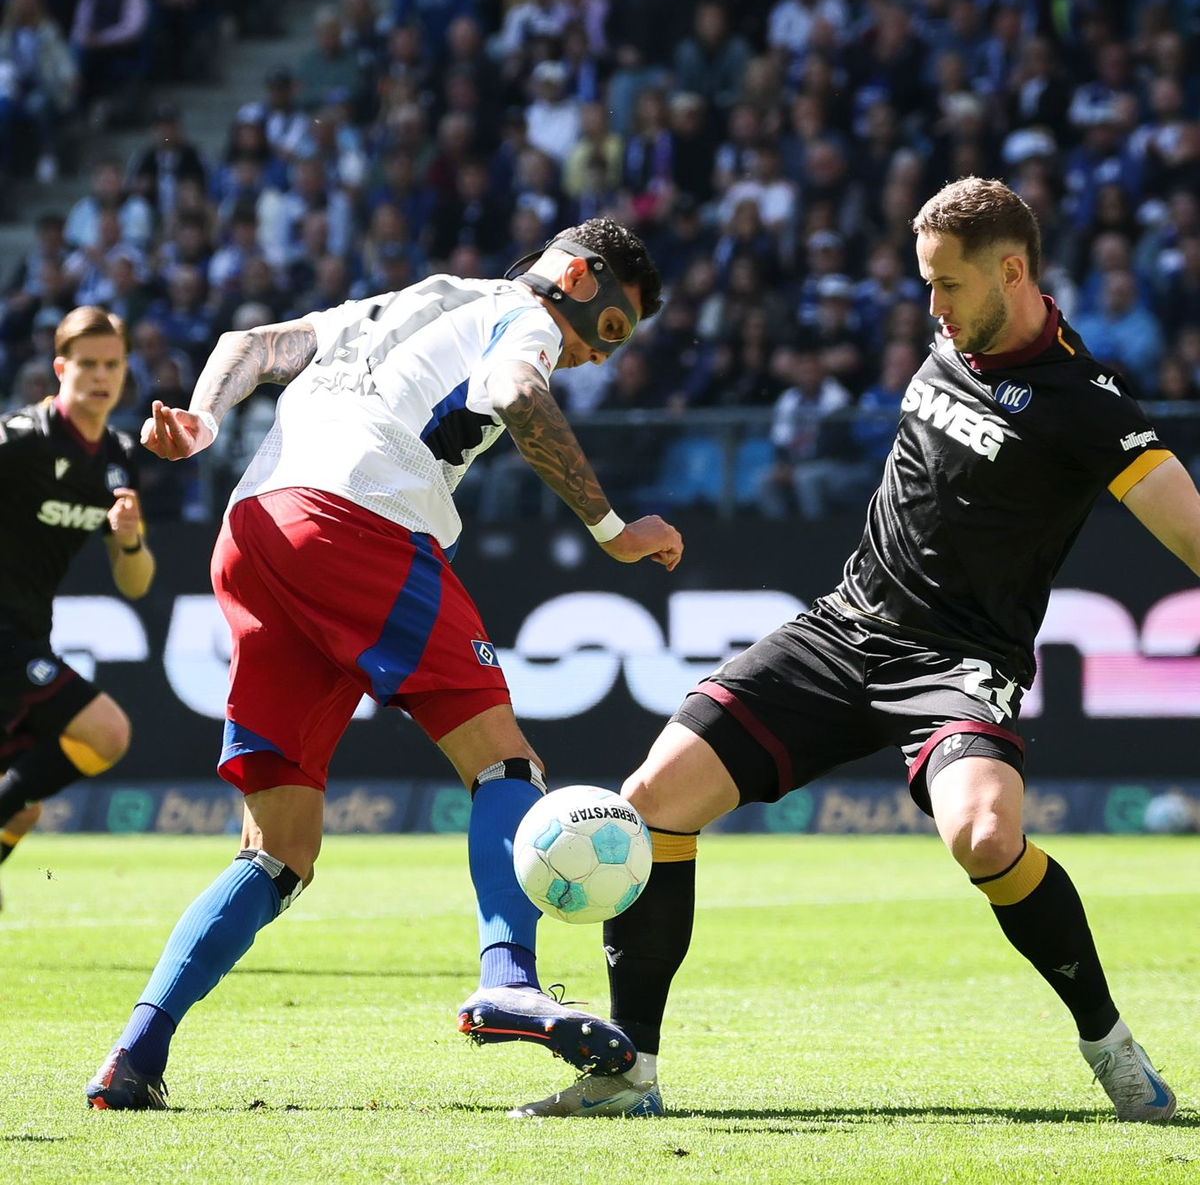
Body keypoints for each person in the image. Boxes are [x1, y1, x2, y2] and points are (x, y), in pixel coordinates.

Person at [513, 178, 1192, 1122]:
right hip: (842, 628)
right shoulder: (952, 339)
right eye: (925, 282)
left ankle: (1109, 1045)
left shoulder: (1089, 402)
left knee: (986, 838)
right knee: (654, 799)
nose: (932, 305)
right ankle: (630, 1074)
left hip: (959, 663)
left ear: (1013, 271)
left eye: (948, 284)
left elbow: (1188, 528)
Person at [85, 217, 682, 1110]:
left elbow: (252, 343)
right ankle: (509, 978)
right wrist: (612, 529)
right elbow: (519, 391)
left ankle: (134, 1057)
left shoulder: (406, 301)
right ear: (577, 277)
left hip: (254, 530)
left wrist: (205, 420)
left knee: (279, 849)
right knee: (506, 763)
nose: (598, 355)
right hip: (359, 519)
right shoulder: (524, 315)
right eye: (608, 329)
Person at [0, 307, 155, 909]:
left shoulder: (117, 457)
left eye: (112, 364)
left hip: (28, 633)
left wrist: (130, 541)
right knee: (107, 731)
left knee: (23, 807)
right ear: (60, 368)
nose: (100, 376)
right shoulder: (22, 439)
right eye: (87, 364)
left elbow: (136, 583)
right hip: (5, 635)